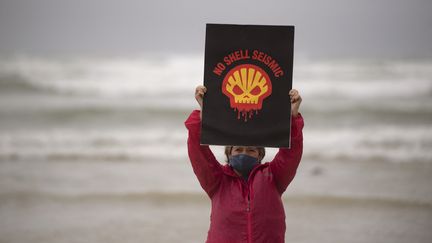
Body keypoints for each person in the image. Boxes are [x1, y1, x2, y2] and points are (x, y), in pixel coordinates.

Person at [185, 85, 304, 243]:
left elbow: (291, 154)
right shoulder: (217, 181)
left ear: (260, 155)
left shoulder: (274, 176)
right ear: (229, 154)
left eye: (251, 150)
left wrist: (292, 118)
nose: (244, 153)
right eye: (238, 149)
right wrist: (205, 115)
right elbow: (198, 153)